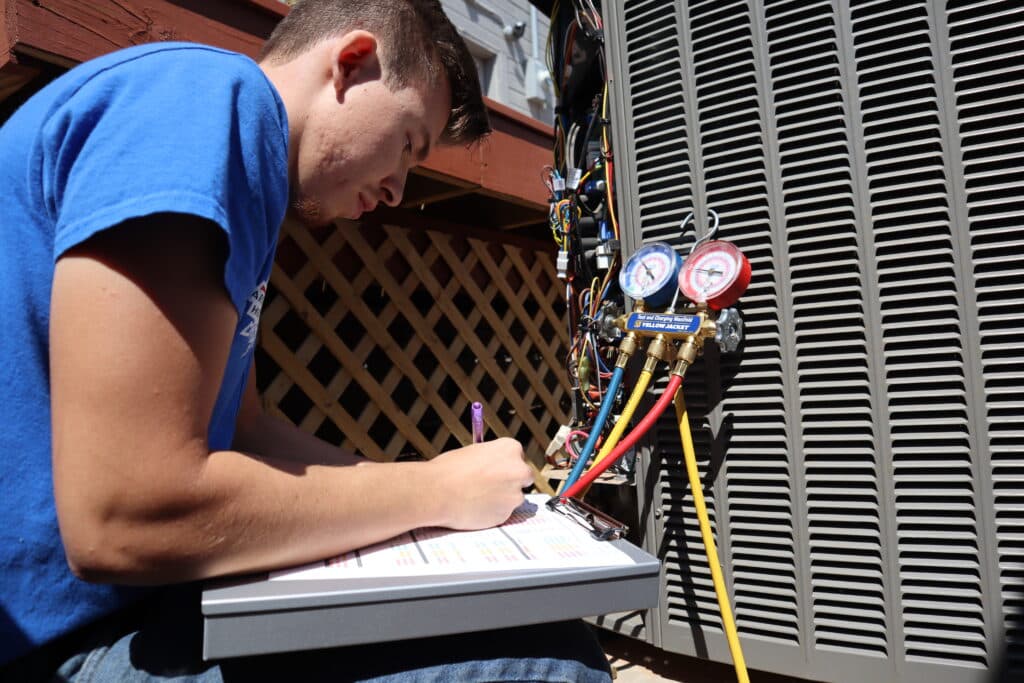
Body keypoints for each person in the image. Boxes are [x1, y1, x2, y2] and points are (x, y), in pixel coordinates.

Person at [0, 0, 613, 680]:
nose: (399, 190)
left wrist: (418, 493)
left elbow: (245, 427)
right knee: (552, 665)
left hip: (129, 609)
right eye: (409, 142)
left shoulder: (246, 174)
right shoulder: (205, 104)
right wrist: (431, 490)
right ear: (350, 64)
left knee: (551, 633)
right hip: (53, 643)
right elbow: (126, 513)